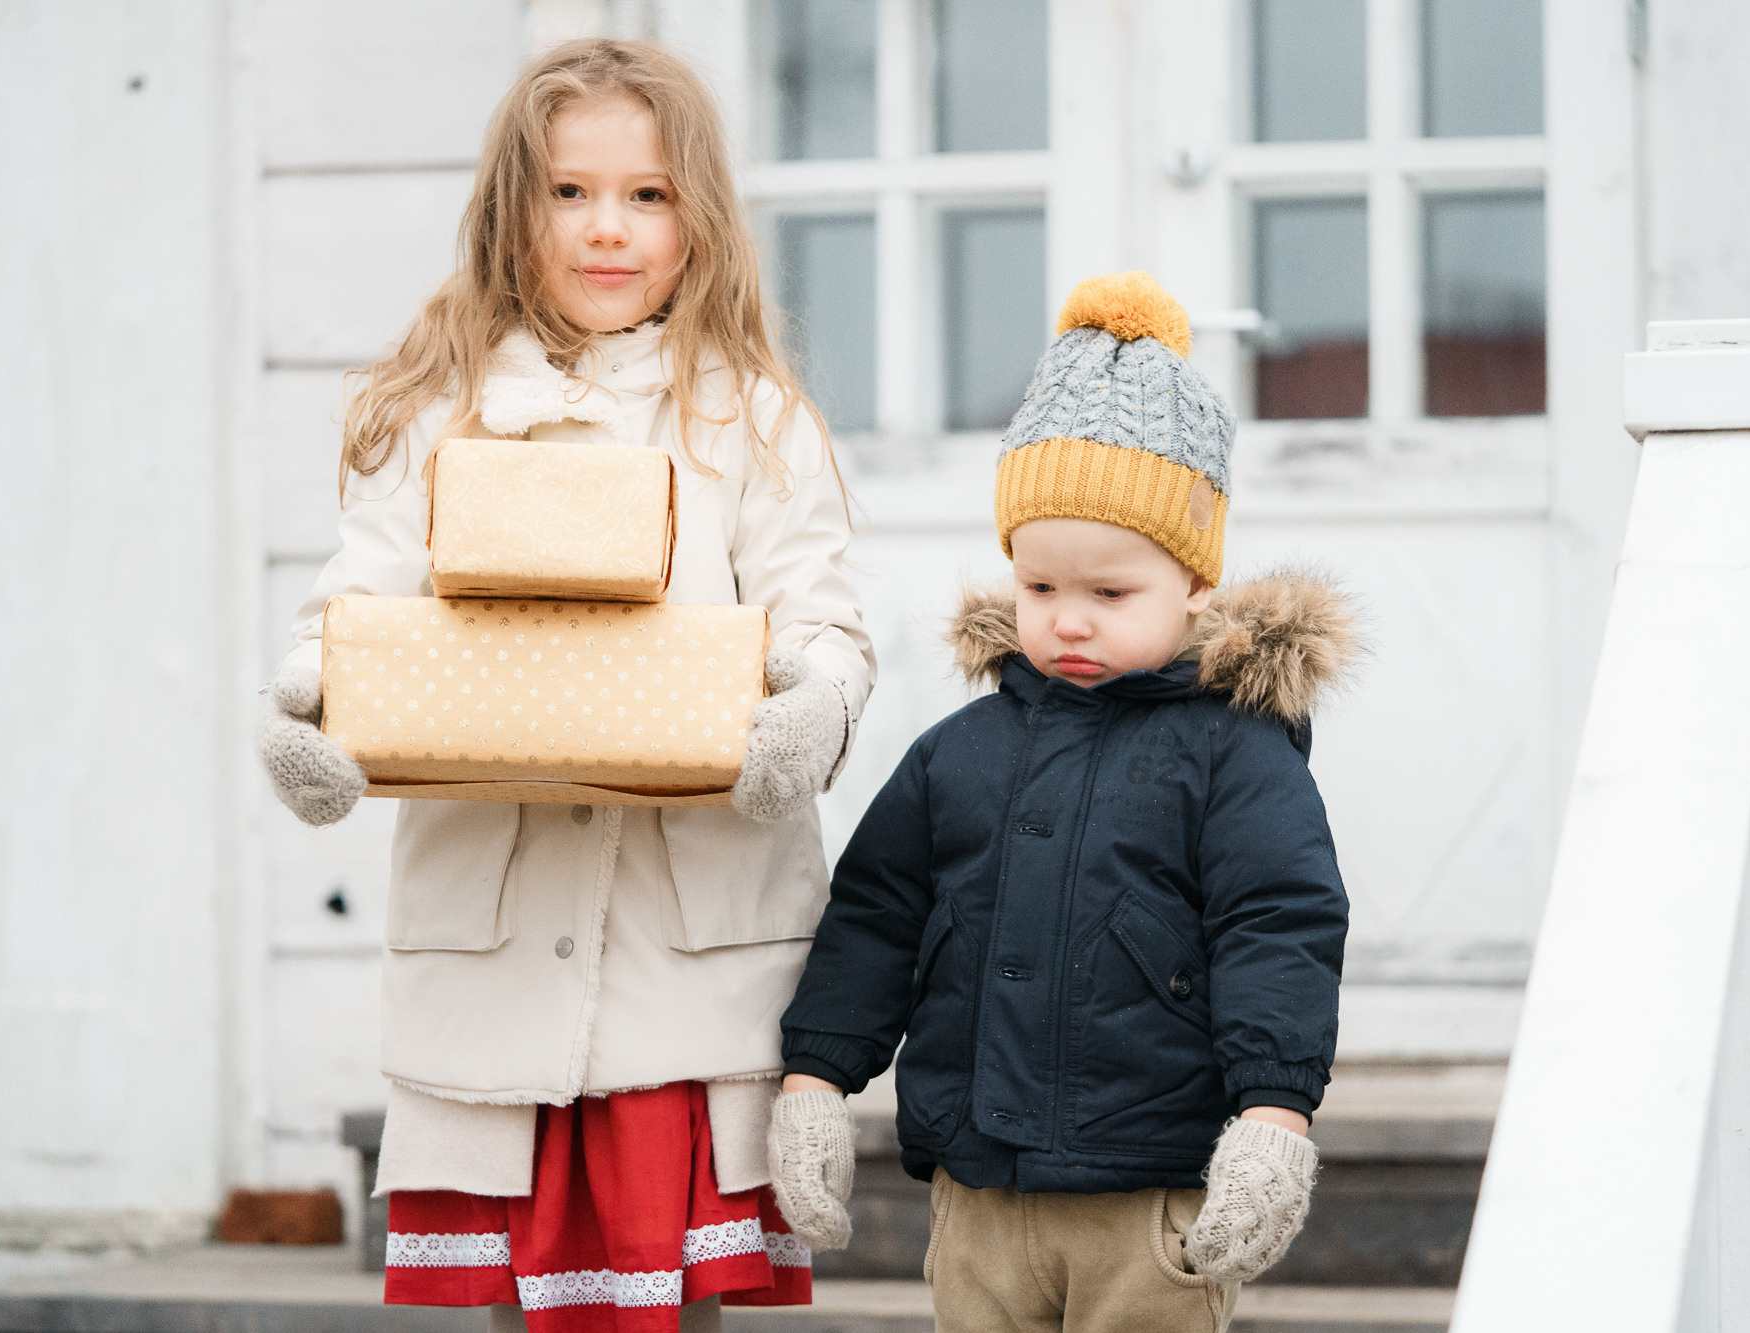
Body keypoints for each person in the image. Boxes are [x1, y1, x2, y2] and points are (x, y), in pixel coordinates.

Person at [256, 39, 873, 1333]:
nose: (608, 229)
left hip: (684, 959)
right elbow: (356, 610)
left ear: (698, 219)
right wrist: (308, 704)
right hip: (500, 956)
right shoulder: (436, 410)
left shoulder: (753, 419)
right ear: (510, 210)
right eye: (570, 193)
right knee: (521, 1303)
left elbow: (821, 620)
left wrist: (812, 706)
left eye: (647, 196)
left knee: (673, 1303)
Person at [766, 273, 1356, 1332]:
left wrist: (1274, 1113)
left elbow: (1278, 924)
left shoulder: (1235, 754)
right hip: (979, 1198)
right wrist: (816, 1076)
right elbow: (875, 917)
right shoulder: (959, 753)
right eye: (1039, 588)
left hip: (1150, 1200)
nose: (1068, 620)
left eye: (1109, 593)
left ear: (1196, 585)